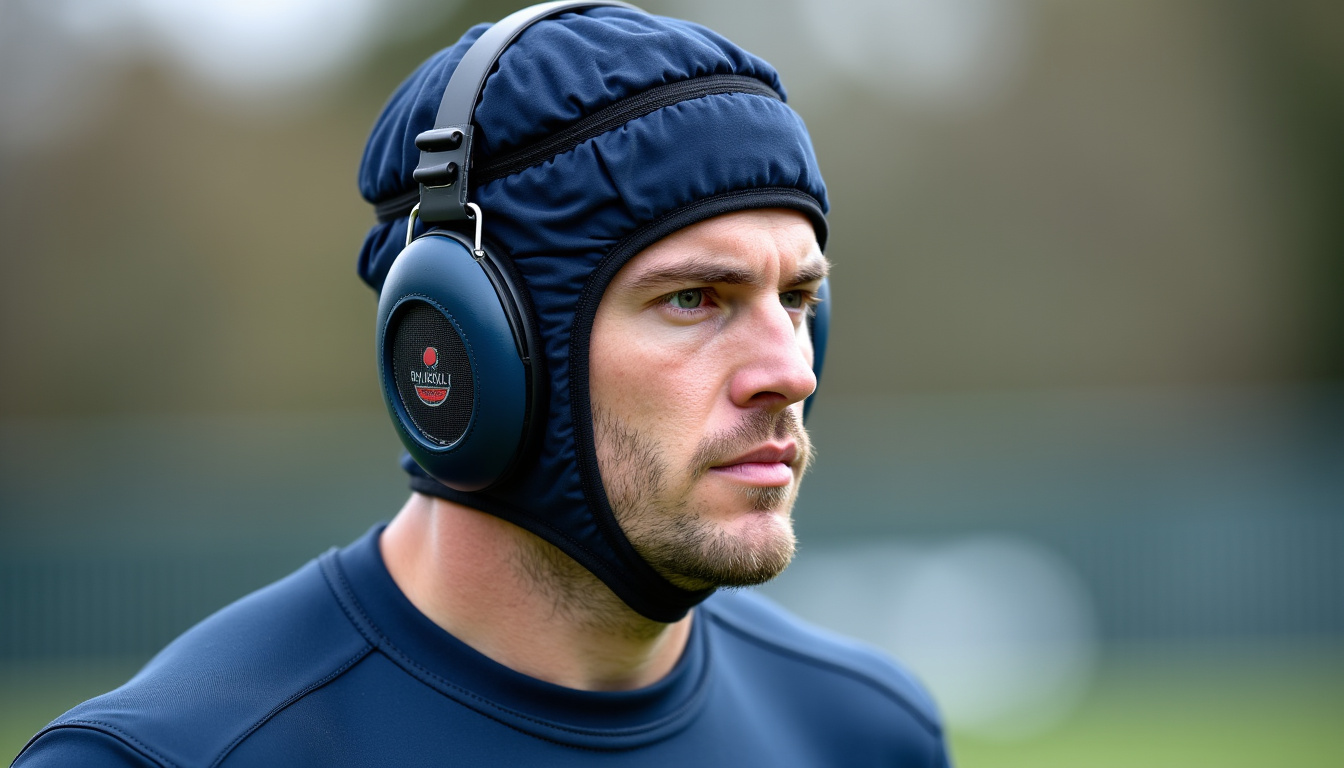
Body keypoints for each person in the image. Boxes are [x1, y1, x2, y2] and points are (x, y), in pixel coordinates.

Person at [14, 5, 951, 766]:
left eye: (797, 298)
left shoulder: (866, 732)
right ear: (468, 352)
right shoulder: (173, 760)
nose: (791, 370)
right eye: (696, 299)